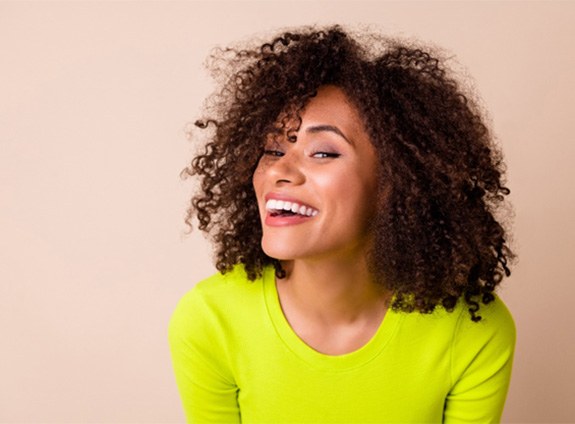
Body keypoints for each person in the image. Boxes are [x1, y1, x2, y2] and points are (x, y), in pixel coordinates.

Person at [169, 25, 516, 423]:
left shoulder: (472, 331)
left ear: (395, 183)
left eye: (322, 152)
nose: (279, 170)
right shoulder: (210, 320)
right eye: (272, 149)